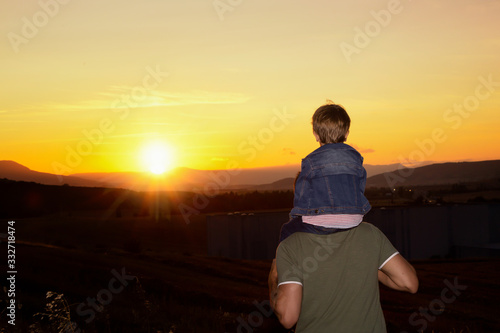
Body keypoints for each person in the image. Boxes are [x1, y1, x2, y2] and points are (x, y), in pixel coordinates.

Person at [279, 102, 371, 242]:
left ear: (316, 135)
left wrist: (295, 216)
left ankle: (279, 263)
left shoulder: (311, 161)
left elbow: (302, 194)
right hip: (353, 220)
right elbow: (360, 188)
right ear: (346, 134)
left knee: (286, 230)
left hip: (320, 224)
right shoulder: (356, 158)